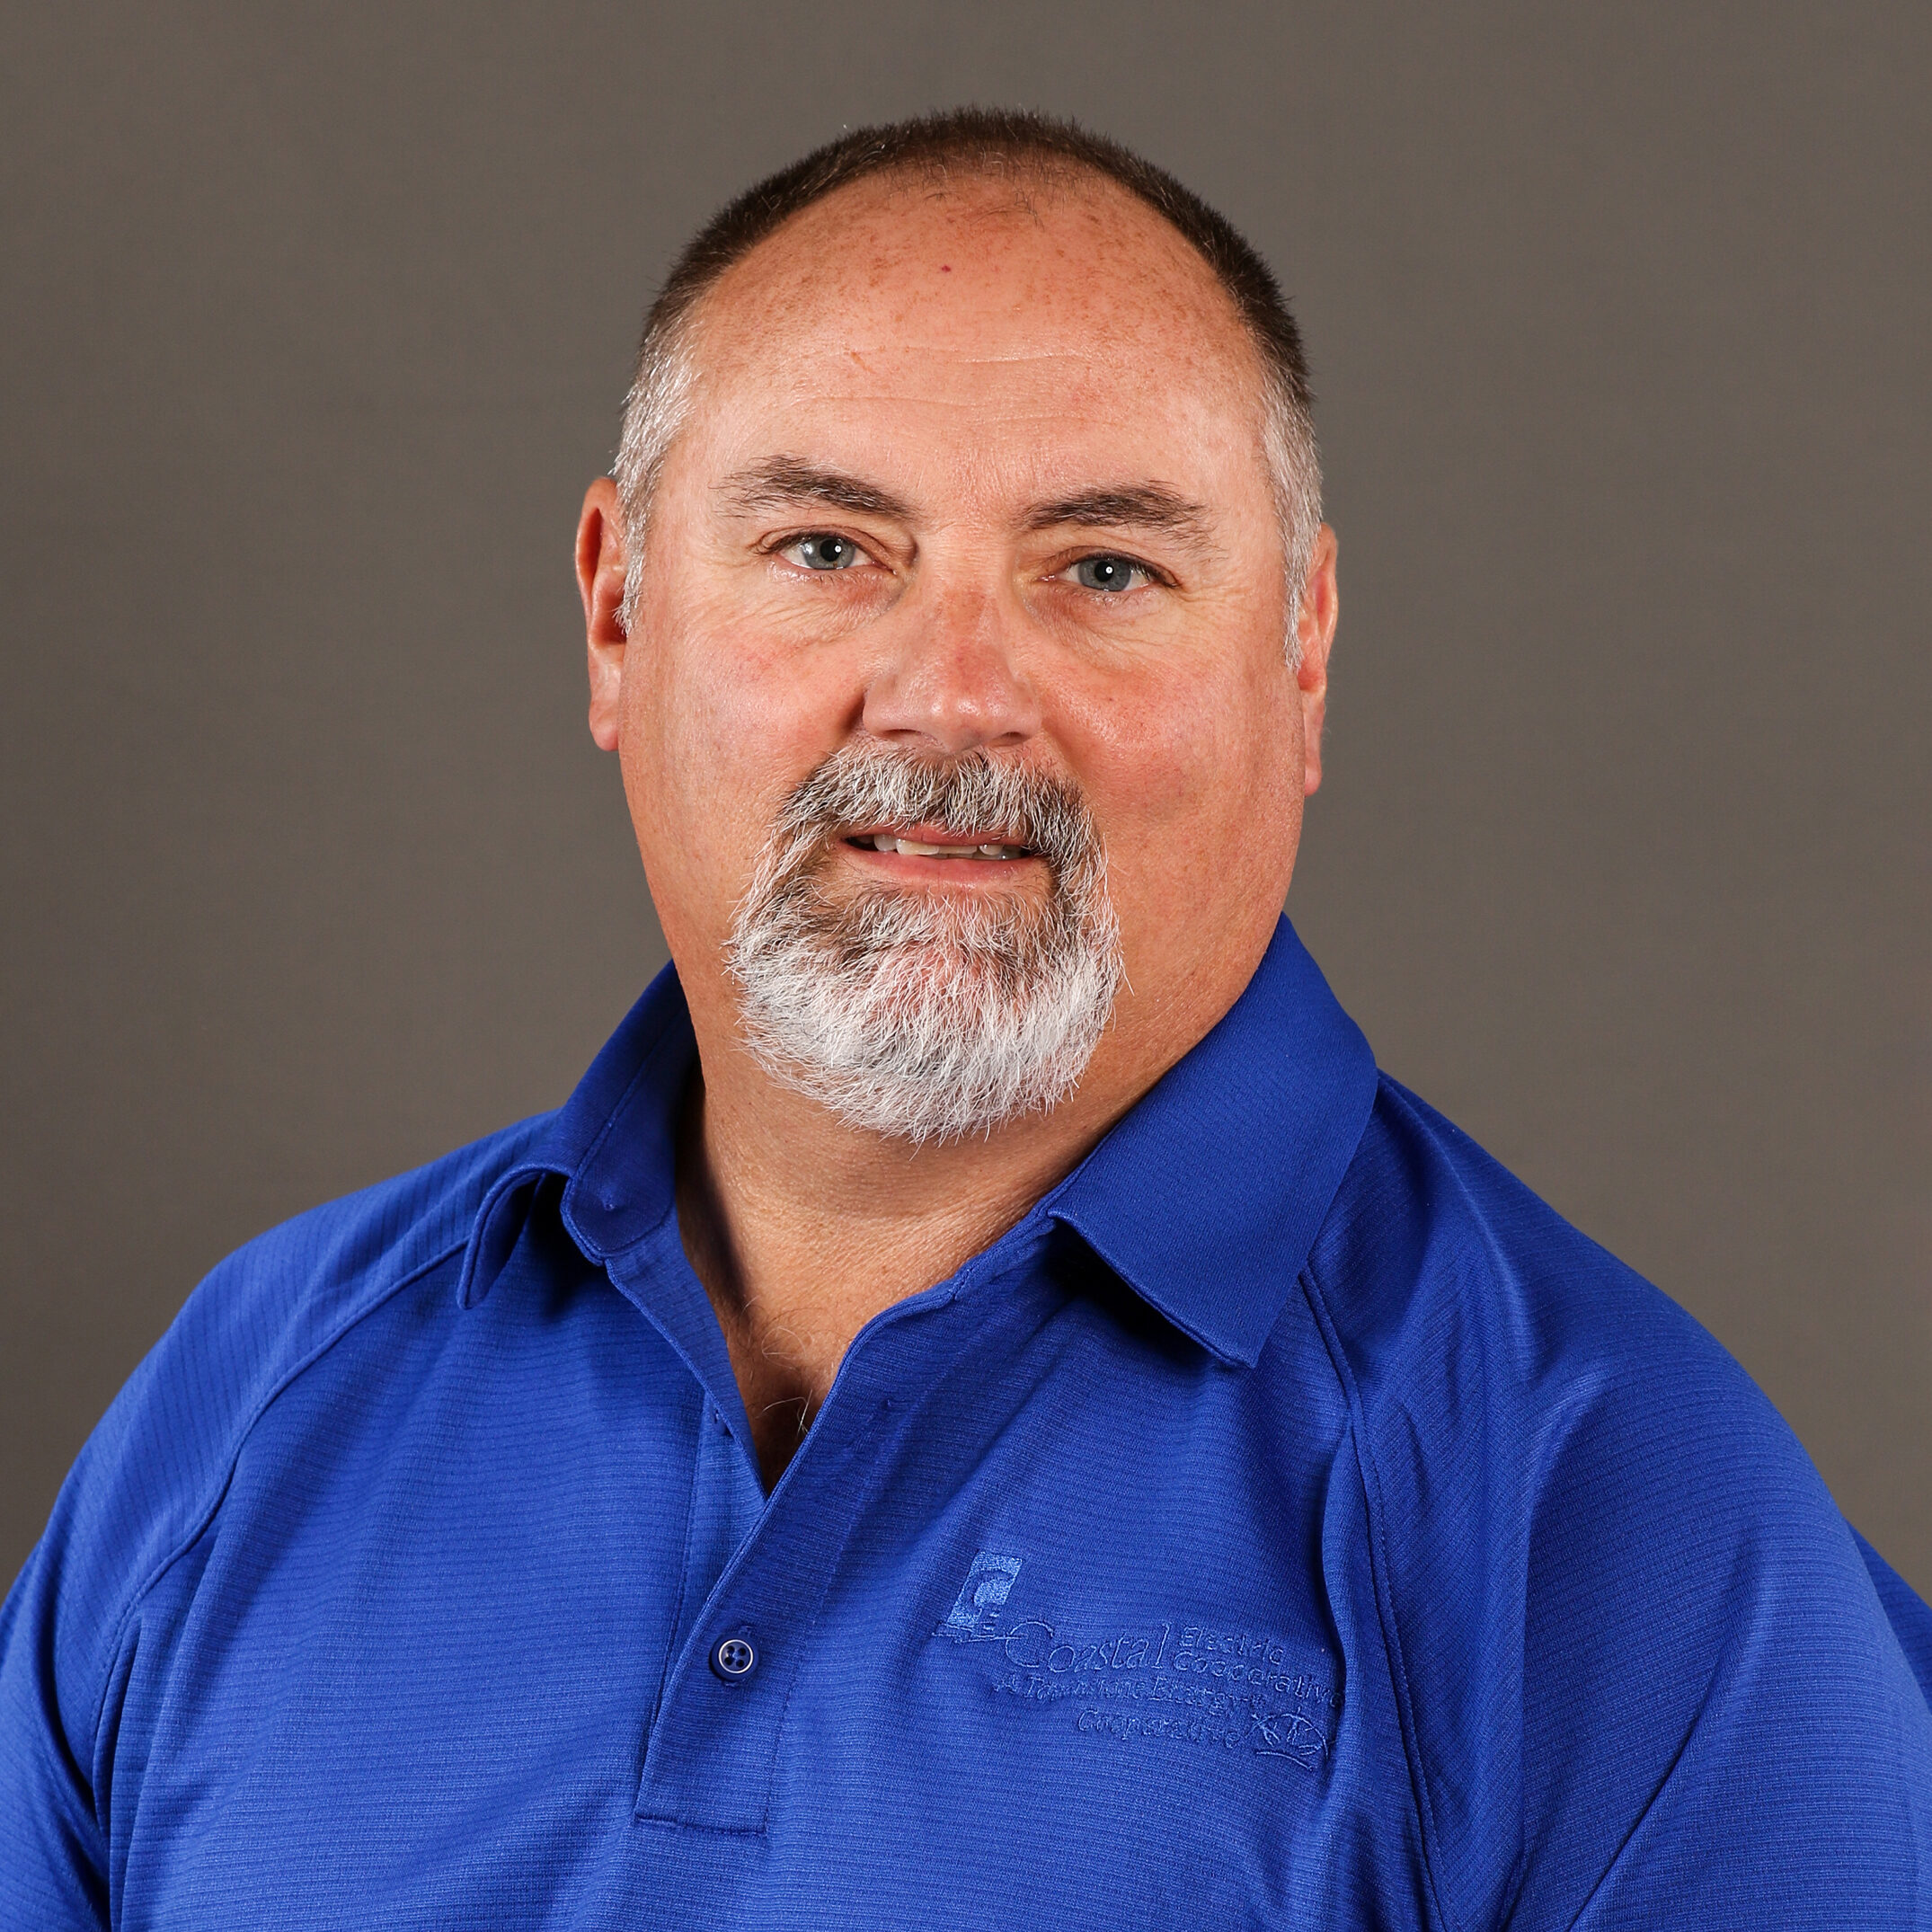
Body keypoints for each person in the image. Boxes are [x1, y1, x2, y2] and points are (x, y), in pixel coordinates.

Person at [3, 110, 1928, 1930]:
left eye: (1103, 569)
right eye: (829, 548)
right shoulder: (256, 1395)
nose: (949, 696)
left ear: (1302, 654)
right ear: (616, 615)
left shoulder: (1621, 1525)